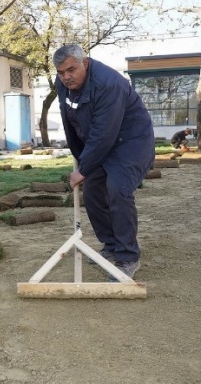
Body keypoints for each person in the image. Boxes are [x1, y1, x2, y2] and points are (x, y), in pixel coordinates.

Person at [53, 44, 155, 280]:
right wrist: (81, 158)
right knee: (92, 192)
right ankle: (111, 244)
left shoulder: (109, 83)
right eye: (61, 72)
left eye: (71, 70)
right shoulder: (62, 85)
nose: (66, 77)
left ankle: (128, 257)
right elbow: (71, 121)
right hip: (101, 142)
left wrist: (85, 167)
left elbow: (104, 133)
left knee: (117, 189)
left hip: (131, 141)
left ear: (84, 63)